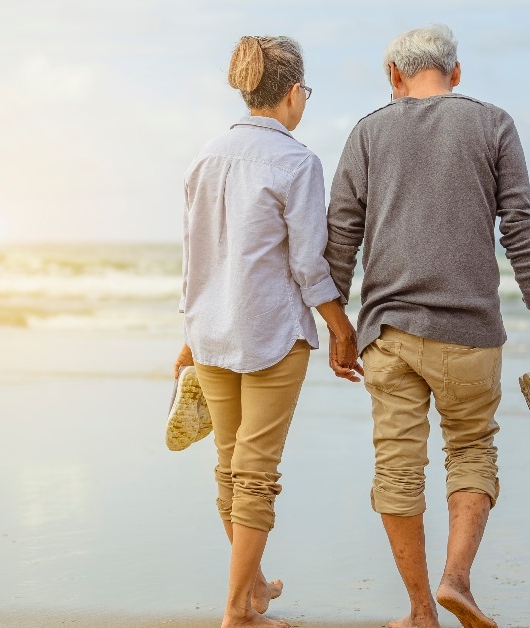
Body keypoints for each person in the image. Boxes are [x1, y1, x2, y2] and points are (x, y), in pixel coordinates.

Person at [324, 25, 530, 628]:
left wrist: (337, 325)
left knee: (398, 467)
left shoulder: (368, 132)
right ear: (456, 74)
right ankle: (456, 580)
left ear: (394, 78)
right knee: (471, 451)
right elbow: (521, 227)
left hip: (390, 332)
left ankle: (418, 613)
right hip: (471, 333)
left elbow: (339, 238)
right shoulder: (493, 124)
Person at [173, 35, 362, 628]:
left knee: (230, 468)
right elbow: (309, 262)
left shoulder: (206, 155)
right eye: (305, 91)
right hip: (272, 335)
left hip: (211, 333)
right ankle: (237, 613)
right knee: (255, 473)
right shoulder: (297, 161)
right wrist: (339, 327)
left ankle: (252, 589)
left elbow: (193, 257)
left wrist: (188, 330)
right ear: (292, 93)